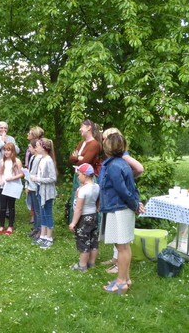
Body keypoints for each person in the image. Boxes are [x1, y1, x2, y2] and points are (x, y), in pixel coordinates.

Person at [99, 133, 145, 295]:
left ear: (107, 148)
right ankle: (126, 279)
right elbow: (132, 188)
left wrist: (134, 205)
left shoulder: (113, 166)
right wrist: (136, 203)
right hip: (121, 208)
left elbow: (123, 191)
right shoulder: (122, 164)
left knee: (122, 247)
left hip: (118, 209)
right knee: (123, 246)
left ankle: (120, 283)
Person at [68, 119, 102, 223]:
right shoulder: (82, 143)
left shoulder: (94, 144)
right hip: (78, 175)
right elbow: (71, 159)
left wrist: (77, 157)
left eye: (82, 126)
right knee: (76, 198)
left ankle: (90, 223)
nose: (80, 129)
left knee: (86, 200)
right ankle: (76, 222)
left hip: (87, 177)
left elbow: (86, 162)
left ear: (88, 127)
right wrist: (79, 158)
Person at [69, 163, 100, 272]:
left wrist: (73, 222)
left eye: (79, 175)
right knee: (93, 240)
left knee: (83, 241)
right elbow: (98, 201)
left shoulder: (82, 189)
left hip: (83, 218)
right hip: (93, 216)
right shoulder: (96, 186)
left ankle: (82, 266)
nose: (78, 177)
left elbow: (78, 209)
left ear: (85, 175)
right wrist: (96, 208)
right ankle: (91, 263)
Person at [0, 121, 20, 222]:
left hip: (10, 171)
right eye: (1, 128)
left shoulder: (11, 139)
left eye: (5, 128)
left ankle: (7, 212)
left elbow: (17, 151)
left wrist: (8, 143)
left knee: (9, 192)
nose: (3, 130)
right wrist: (1, 142)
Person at [30, 138, 58, 249]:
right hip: (40, 190)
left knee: (47, 214)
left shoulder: (49, 160)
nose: (36, 148)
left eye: (37, 146)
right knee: (42, 213)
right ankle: (43, 236)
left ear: (44, 147)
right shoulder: (41, 159)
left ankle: (49, 238)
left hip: (47, 192)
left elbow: (52, 178)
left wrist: (38, 179)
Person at [0, 143, 24, 235]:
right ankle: (1, 225)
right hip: (3, 186)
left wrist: (12, 178)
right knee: (2, 207)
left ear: (12, 151)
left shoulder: (17, 161)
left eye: (8, 150)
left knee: (11, 206)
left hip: (12, 186)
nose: (6, 152)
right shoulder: (2, 161)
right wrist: (0, 180)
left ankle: (10, 226)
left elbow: (21, 174)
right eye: (5, 150)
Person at [25, 139, 42, 239]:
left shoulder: (39, 158)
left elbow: (36, 173)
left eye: (30, 147)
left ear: (35, 148)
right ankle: (35, 227)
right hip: (31, 185)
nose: (28, 149)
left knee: (38, 209)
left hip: (36, 186)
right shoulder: (32, 158)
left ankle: (39, 229)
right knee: (35, 209)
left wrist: (29, 176)